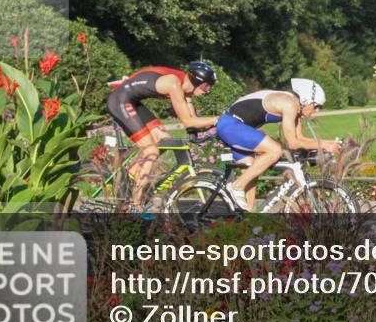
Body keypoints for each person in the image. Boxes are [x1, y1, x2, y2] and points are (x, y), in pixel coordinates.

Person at [216, 78, 342, 211]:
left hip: (238, 127)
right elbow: (292, 143)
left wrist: (328, 143)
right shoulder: (289, 104)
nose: (317, 111)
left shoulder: (296, 108)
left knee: (251, 173)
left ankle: (247, 218)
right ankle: (236, 187)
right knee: (275, 150)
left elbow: (300, 139)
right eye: (316, 106)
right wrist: (324, 145)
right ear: (305, 100)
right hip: (231, 125)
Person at [107, 61, 219, 210]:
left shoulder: (186, 89)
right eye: (207, 85)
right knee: (151, 151)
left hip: (132, 100)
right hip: (120, 100)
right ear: (197, 80)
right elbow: (188, 120)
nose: (208, 90)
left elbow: (191, 122)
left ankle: (129, 178)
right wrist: (219, 119)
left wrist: (195, 133)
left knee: (163, 139)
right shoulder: (174, 84)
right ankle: (134, 206)